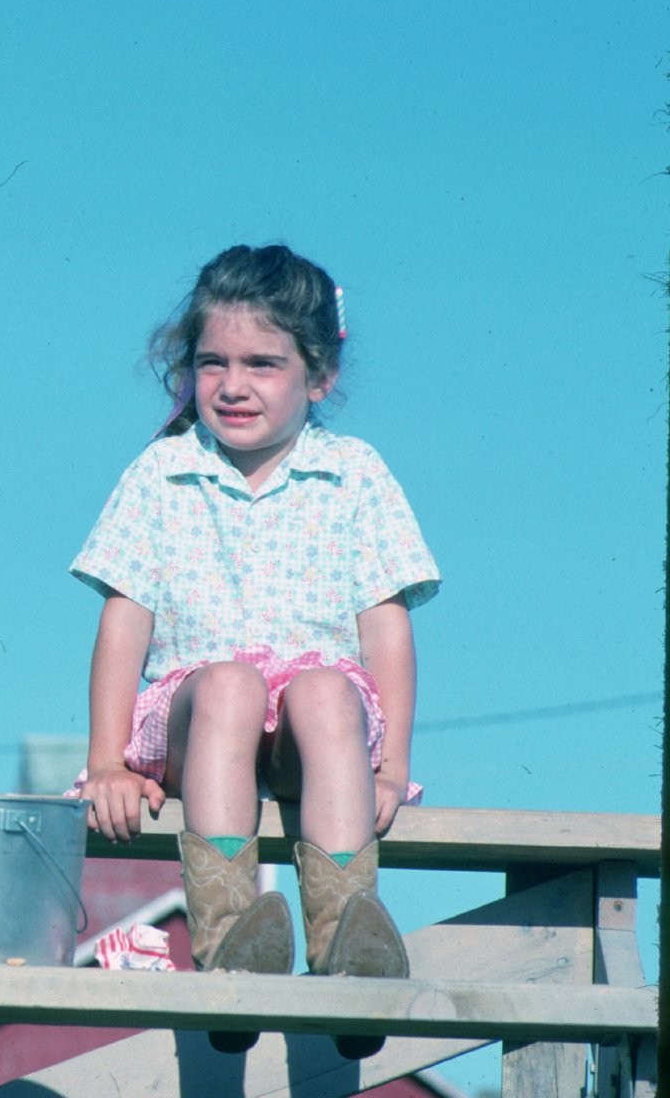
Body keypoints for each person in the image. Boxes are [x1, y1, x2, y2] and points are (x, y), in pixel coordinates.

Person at [73, 244, 437, 1057]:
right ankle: (231, 947)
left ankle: (349, 956)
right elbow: (123, 626)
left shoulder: (355, 474)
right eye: (213, 363)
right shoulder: (162, 475)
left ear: (320, 376)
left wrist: (392, 764)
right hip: (196, 723)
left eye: (263, 364)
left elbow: (386, 630)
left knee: (322, 689)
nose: (234, 385)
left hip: (319, 742)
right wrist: (105, 760)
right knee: (234, 684)